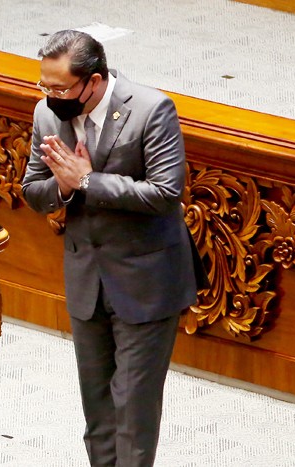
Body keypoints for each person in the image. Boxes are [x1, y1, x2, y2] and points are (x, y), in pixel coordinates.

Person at [22, 30, 207, 466]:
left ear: (95, 80)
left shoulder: (150, 109)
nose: (51, 96)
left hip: (146, 280)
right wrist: (64, 188)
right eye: (43, 86)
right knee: (98, 409)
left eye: (60, 88)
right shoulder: (46, 115)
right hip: (87, 278)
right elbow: (32, 189)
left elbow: (165, 193)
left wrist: (88, 181)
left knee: (133, 411)